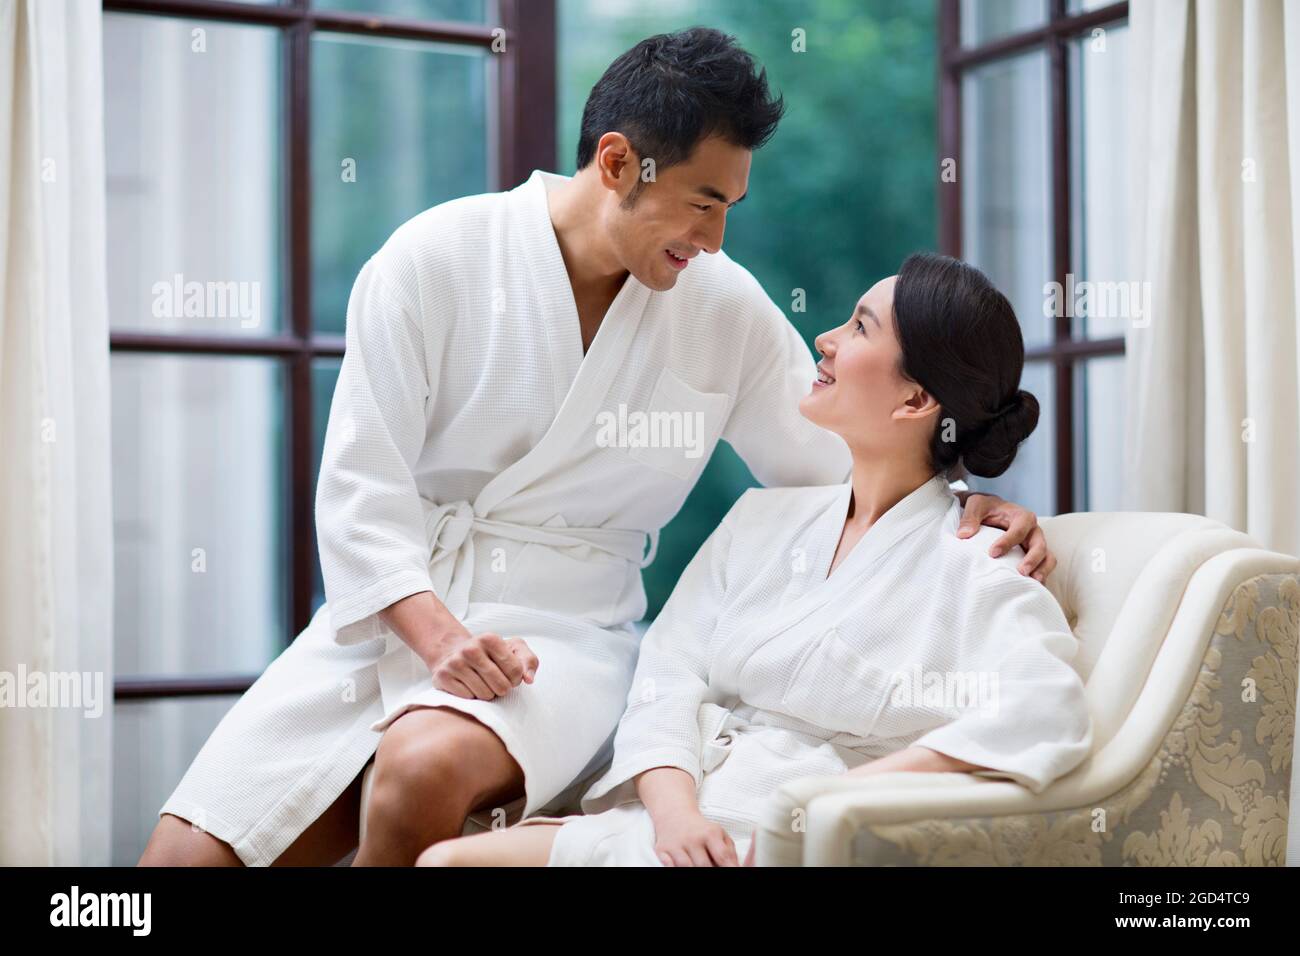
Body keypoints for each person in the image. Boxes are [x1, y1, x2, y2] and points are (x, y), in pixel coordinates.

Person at [139, 30, 1052, 868]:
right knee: (181, 860)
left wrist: (967, 497)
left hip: (566, 637)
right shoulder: (432, 260)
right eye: (702, 203)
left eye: (730, 207)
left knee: (419, 769)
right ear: (618, 162)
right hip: (402, 612)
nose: (715, 239)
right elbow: (360, 485)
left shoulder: (719, 305)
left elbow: (854, 457)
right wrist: (439, 637)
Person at [415, 252, 1093, 867]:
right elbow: (668, 674)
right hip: (673, 821)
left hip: (792, 841)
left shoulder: (980, 559)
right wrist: (673, 813)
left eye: (859, 328)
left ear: (917, 400)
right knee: (444, 863)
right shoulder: (761, 520)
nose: (824, 341)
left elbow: (1044, 709)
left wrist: (832, 797)